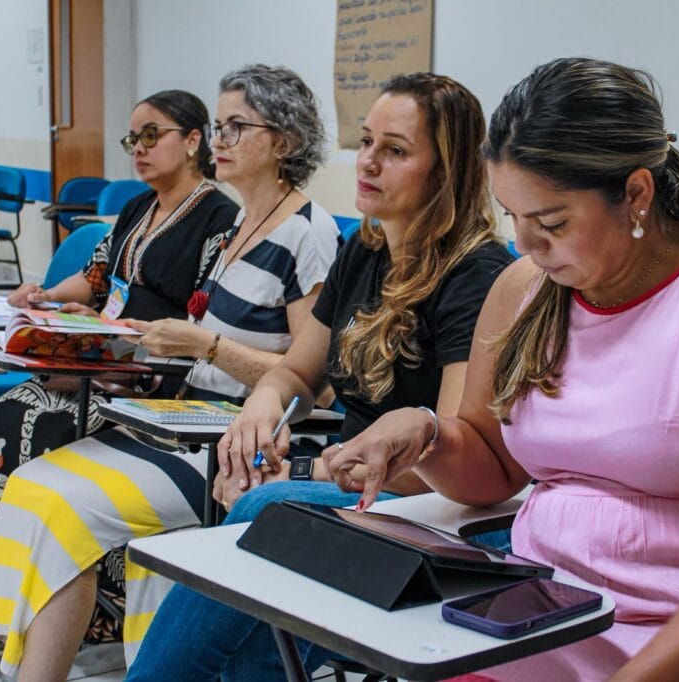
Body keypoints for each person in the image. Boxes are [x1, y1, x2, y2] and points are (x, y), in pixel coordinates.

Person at [321, 57, 679, 680]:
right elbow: (494, 468)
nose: (525, 245)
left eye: (552, 222)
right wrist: (427, 433)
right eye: (513, 217)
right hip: (562, 614)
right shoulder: (524, 289)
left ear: (636, 194)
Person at [0, 65, 339, 682]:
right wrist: (113, 343)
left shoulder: (309, 234)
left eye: (235, 126)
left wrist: (205, 346)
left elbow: (316, 384)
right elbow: (177, 336)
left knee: (59, 506)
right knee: (29, 487)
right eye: (218, 125)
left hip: (228, 439)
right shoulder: (239, 227)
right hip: (178, 416)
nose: (219, 139)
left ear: (283, 141)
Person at [127, 72, 514, 681]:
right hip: (352, 488)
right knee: (258, 602)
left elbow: (449, 462)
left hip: (422, 506)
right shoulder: (365, 249)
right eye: (367, 141)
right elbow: (298, 375)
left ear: (447, 171)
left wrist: (307, 471)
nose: (368, 161)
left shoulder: (477, 275)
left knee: (267, 508)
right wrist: (261, 414)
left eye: (395, 150)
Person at [0, 88, 238, 626]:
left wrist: (120, 337)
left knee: (47, 426)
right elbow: (95, 279)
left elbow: (204, 322)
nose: (140, 149)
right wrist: (44, 297)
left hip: (157, 381)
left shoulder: (219, 219)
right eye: (133, 139)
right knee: (1, 415)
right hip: (103, 363)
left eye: (152, 135)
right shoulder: (137, 207)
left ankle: (83, 611)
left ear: (193, 141)